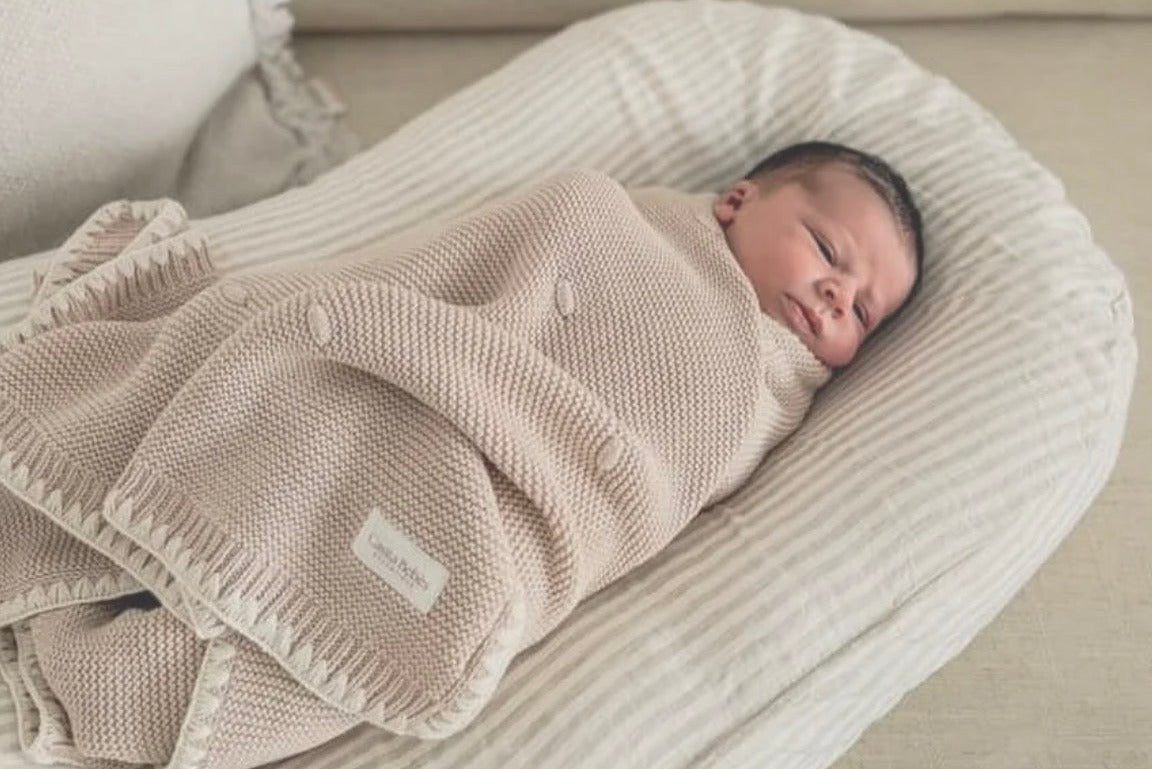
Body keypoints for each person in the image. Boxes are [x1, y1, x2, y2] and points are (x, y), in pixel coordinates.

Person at [712, 140, 924, 369]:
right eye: (826, 251)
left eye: (859, 312)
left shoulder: (782, 378)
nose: (841, 299)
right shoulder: (683, 230)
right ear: (736, 202)